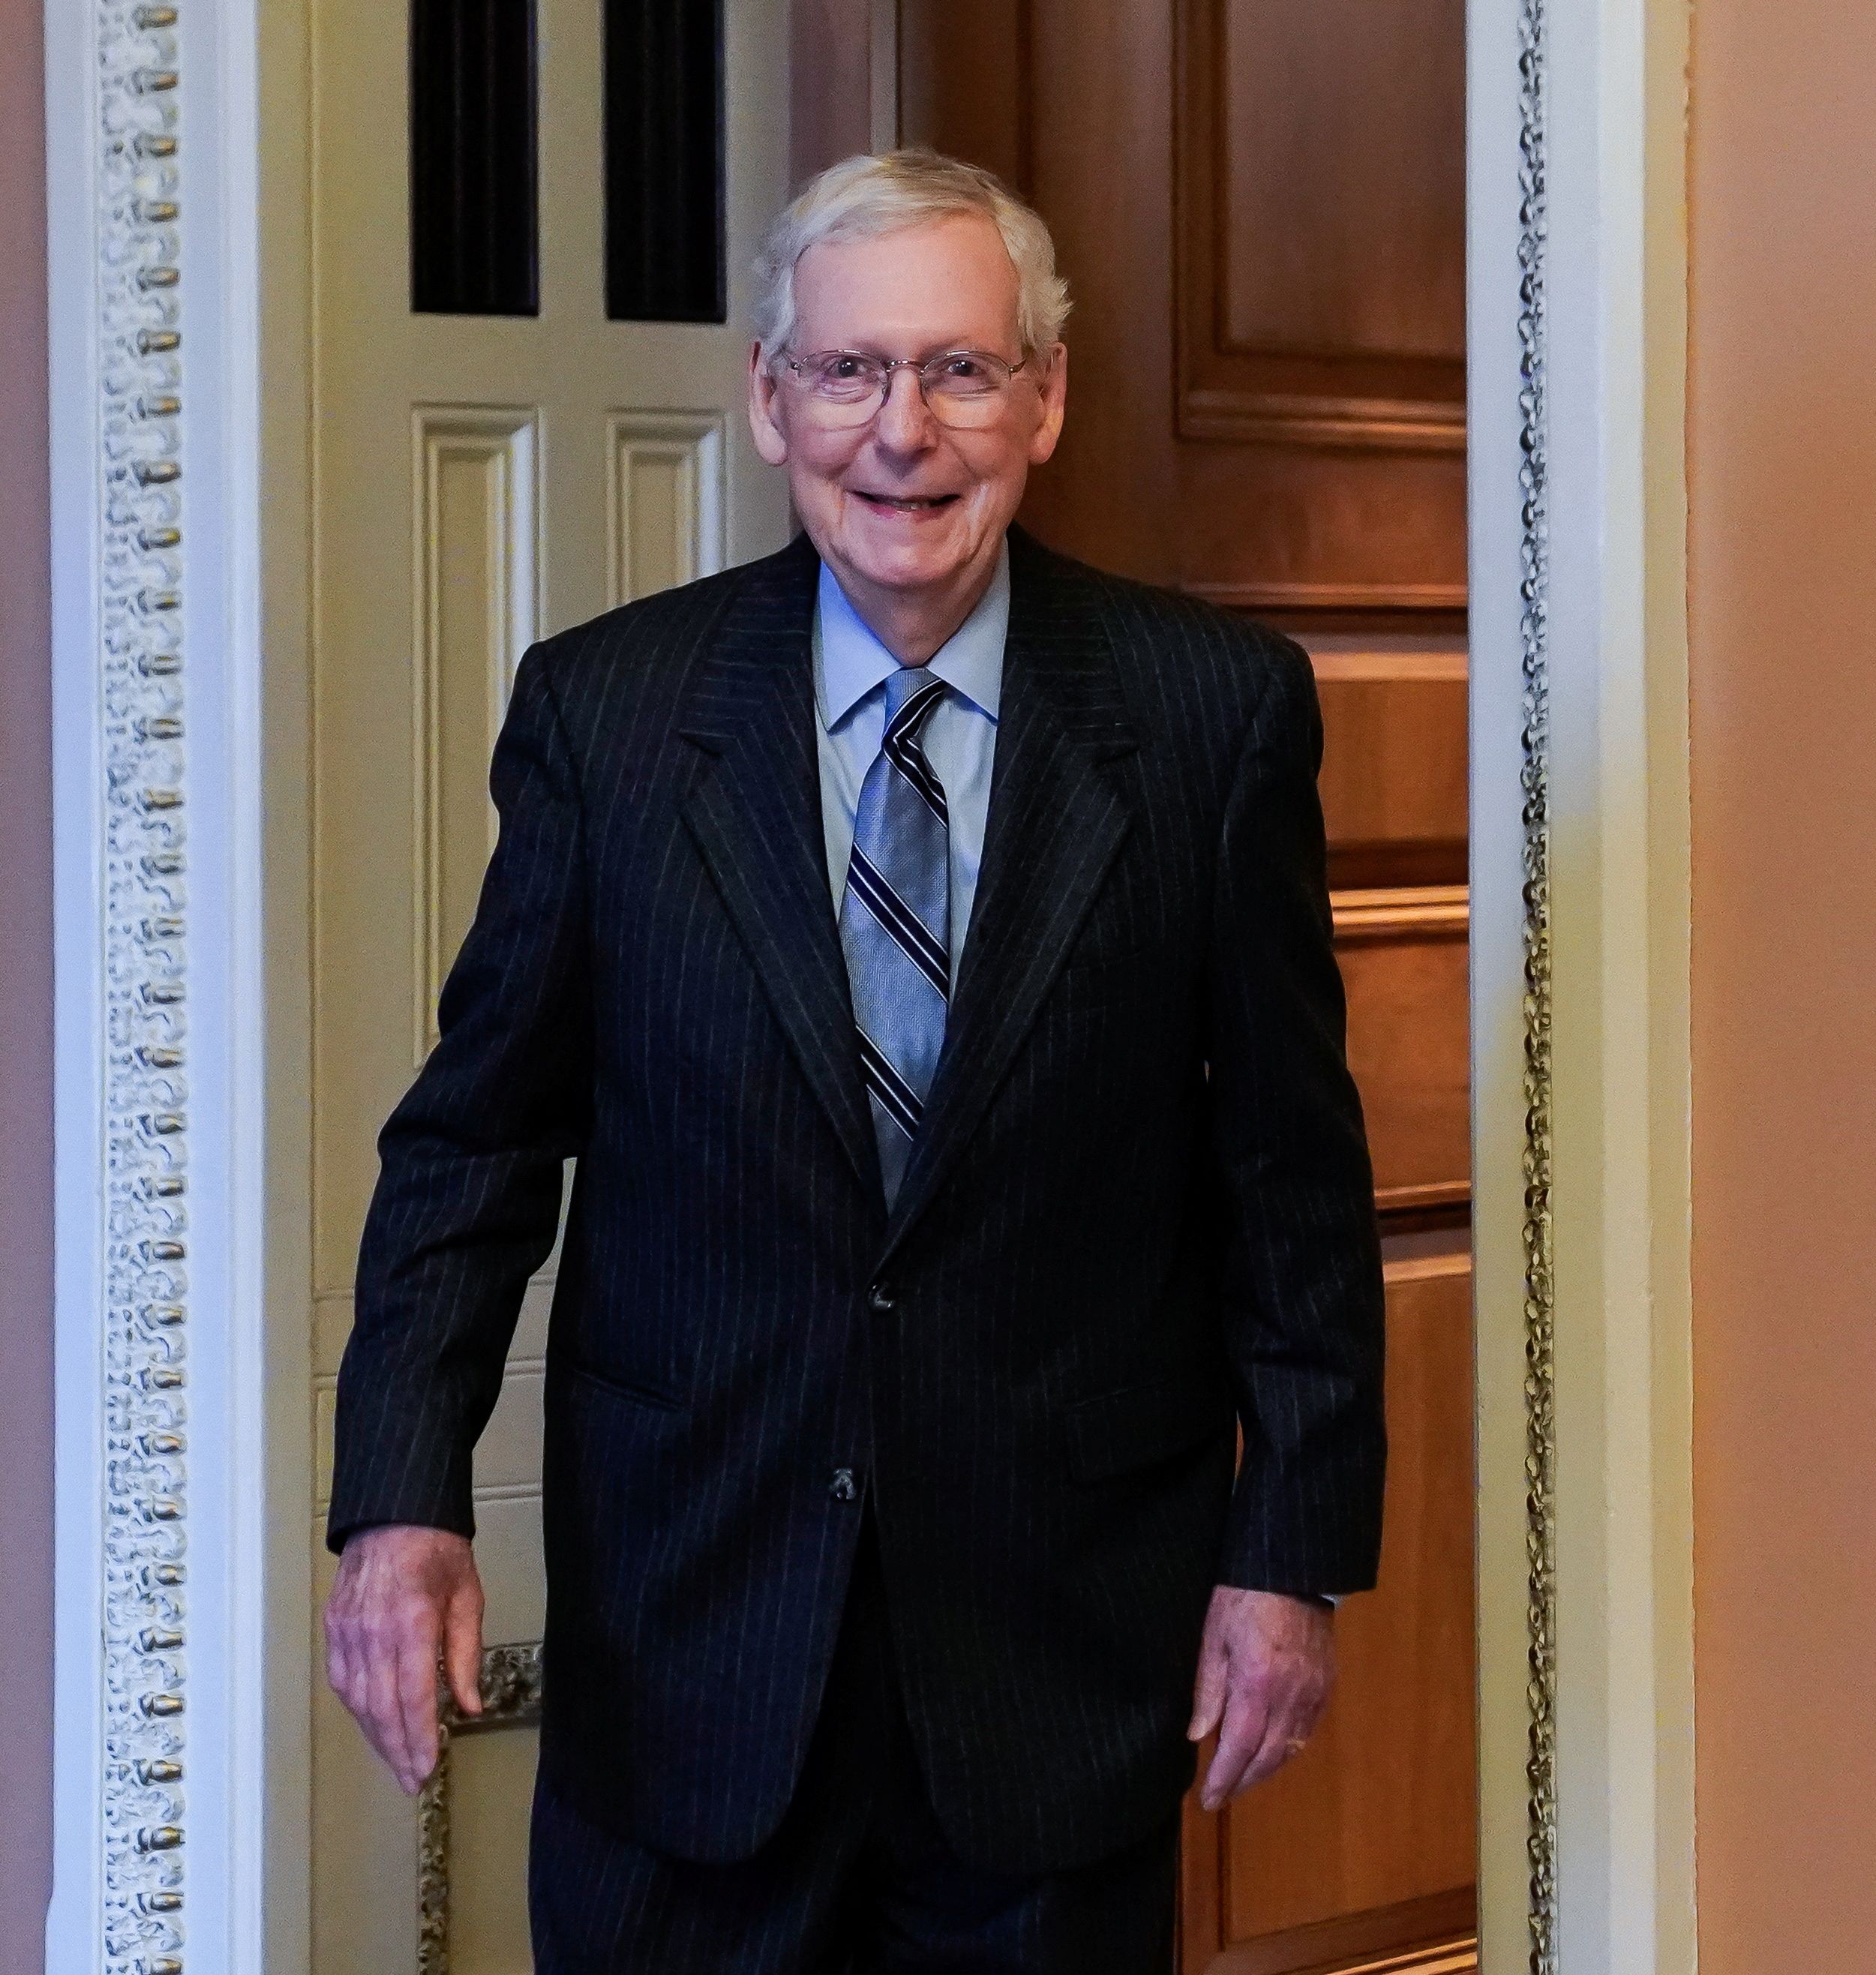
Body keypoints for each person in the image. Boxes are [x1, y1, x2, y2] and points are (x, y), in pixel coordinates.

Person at [323, 149, 1385, 1973]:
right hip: (692, 1648)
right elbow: (474, 1145)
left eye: (962, 370)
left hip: (1058, 1672)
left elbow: (1286, 1176)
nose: (904, 430)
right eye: (850, 372)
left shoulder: (1211, 718)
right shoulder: (610, 716)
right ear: (769, 398)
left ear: (1045, 401)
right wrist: (401, 1497)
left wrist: (1285, 1555)